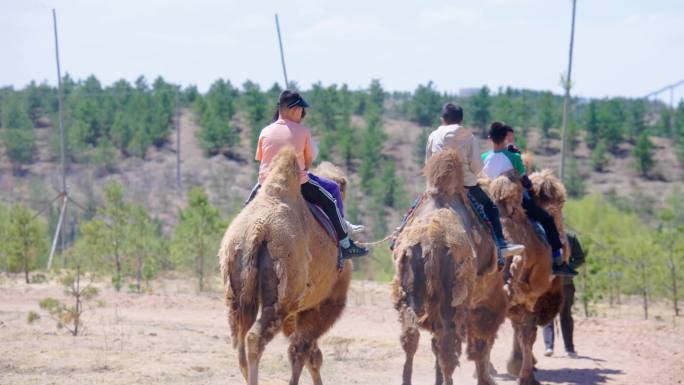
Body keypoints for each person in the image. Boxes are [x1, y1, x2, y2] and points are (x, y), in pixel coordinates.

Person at [247, 90, 369, 260]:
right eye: (301, 111)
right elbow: (307, 161)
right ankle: (345, 244)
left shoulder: (265, 131)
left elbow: (261, 159)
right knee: (330, 200)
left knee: (246, 207)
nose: (302, 114)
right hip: (297, 184)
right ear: (295, 109)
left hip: (266, 184)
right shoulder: (302, 131)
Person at [425, 103, 524, 262]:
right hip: (465, 186)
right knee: (490, 207)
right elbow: (477, 167)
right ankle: (500, 244)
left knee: (415, 208)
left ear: (442, 119)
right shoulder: (468, 136)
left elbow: (428, 164)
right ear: (462, 120)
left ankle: (397, 235)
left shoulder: (433, 135)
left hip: (438, 187)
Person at [481, 122, 576, 277]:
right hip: (512, 199)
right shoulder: (514, 157)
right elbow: (525, 181)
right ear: (506, 137)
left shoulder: (483, 157)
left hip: (490, 199)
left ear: (489, 138)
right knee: (547, 220)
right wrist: (532, 191)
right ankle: (558, 261)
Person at [543, 231, 585, 357]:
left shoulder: (570, 238)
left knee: (565, 314)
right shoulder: (542, 235)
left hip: (565, 283)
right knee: (546, 314)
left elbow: (580, 258)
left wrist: (565, 267)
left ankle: (569, 348)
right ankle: (548, 347)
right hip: (547, 282)